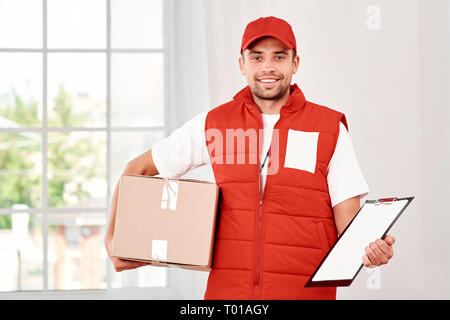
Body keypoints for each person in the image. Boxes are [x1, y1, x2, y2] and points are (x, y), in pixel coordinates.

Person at [104, 16, 395, 300]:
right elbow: (137, 169)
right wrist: (114, 238)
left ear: (295, 63)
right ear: (242, 64)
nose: (268, 67)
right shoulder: (213, 124)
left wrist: (371, 250)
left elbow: (350, 229)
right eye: (256, 57)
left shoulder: (329, 127)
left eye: (279, 57)